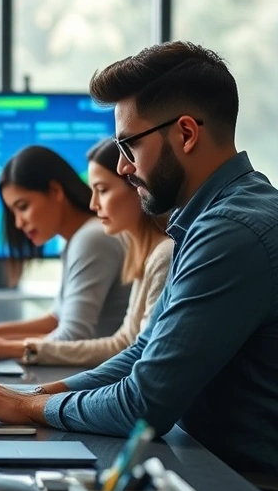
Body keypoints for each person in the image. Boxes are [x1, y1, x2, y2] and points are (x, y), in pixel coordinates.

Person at [0, 41, 278, 491]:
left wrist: (26, 408)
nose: (125, 166)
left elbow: (142, 403)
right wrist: (44, 391)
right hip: (200, 468)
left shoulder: (234, 231)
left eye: (130, 146)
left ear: (186, 133)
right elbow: (142, 353)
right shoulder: (210, 221)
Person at [0, 145, 131, 359]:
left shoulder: (92, 238)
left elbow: (71, 337)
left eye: (22, 207)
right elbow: (57, 320)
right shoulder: (79, 238)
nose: (18, 223)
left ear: (56, 191)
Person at [20, 138, 173, 366]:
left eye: (102, 190)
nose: (93, 204)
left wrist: (37, 395)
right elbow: (124, 343)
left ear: (137, 187)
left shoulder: (164, 255)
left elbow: (142, 357)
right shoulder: (142, 254)